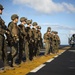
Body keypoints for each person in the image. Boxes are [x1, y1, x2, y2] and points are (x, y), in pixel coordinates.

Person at [0, 4, 9, 72]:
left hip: (2, 36)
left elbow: (5, 27)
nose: (2, 10)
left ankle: (6, 65)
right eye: (1, 9)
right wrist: (5, 31)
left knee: (5, 51)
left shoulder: (1, 19)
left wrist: (8, 31)